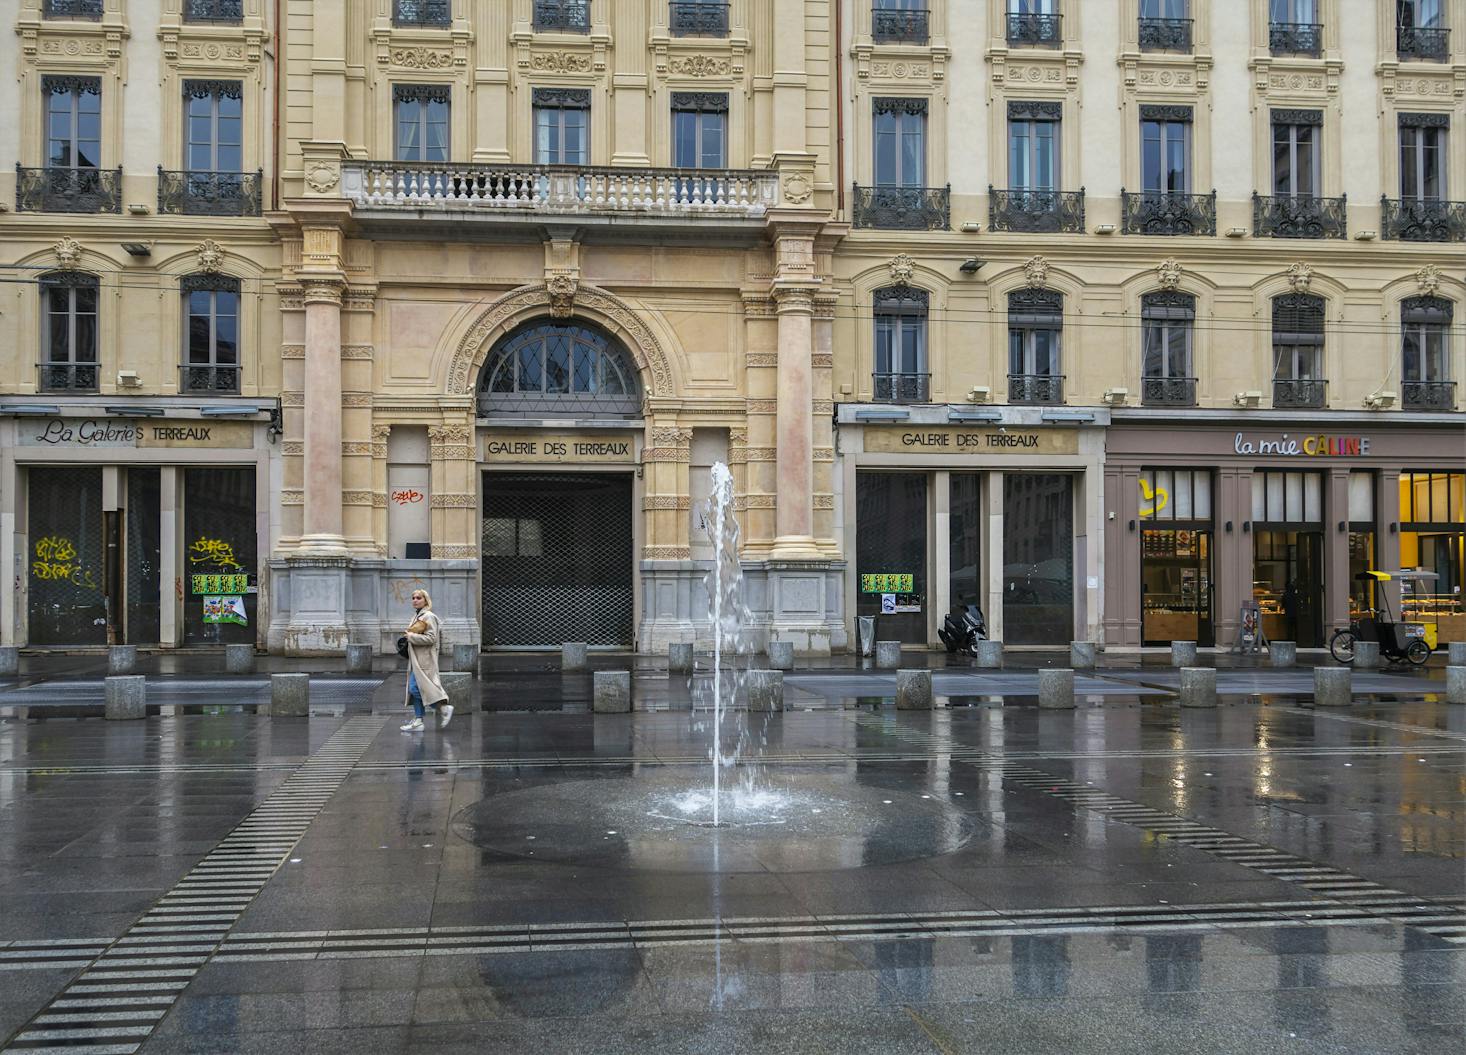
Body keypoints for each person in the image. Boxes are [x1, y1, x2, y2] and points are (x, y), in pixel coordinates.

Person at [400, 588, 452, 732]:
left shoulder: (428, 616)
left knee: (415, 688)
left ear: (425, 600)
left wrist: (410, 637)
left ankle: (443, 708)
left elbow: (431, 638)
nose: (415, 600)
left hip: (424, 660)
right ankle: (418, 720)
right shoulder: (417, 616)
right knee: (415, 689)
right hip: (416, 659)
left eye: (419, 598)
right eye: (413, 598)